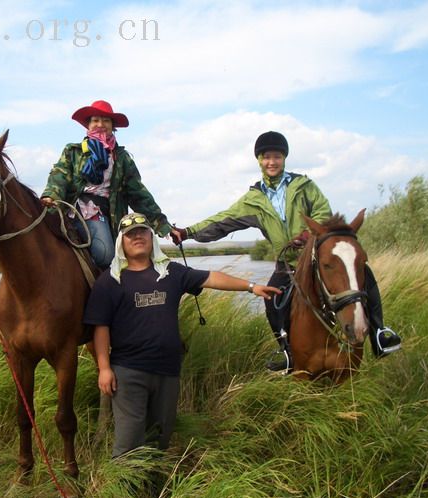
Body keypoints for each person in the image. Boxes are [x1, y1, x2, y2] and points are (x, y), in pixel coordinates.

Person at [171, 131, 401, 372]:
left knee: (365, 277)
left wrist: (307, 234)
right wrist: (187, 232)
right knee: (272, 299)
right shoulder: (253, 200)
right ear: (259, 160)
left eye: (277, 156)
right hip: (287, 265)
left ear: (284, 159)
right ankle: (286, 351)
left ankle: (379, 333)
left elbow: (323, 212)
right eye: (266, 156)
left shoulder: (304, 186)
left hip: (315, 256)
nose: (272, 162)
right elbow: (222, 220)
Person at [84, 212, 280, 457]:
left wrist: (251, 287)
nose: (137, 237)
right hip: (128, 372)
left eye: (142, 231)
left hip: (167, 371)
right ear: (121, 242)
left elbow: (211, 278)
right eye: (130, 234)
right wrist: (104, 368)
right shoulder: (111, 281)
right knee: (128, 445)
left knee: (159, 438)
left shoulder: (170, 273)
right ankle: (124, 489)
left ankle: (154, 489)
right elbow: (100, 328)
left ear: (151, 237)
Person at [41, 100, 171, 269]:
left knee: (117, 256)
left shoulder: (122, 158)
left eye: (106, 121)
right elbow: (59, 176)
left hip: (111, 214)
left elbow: (138, 194)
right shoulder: (73, 151)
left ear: (112, 126)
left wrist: (161, 224)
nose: (100, 124)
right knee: (103, 254)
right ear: (88, 125)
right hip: (79, 208)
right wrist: (51, 196)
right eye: (95, 120)